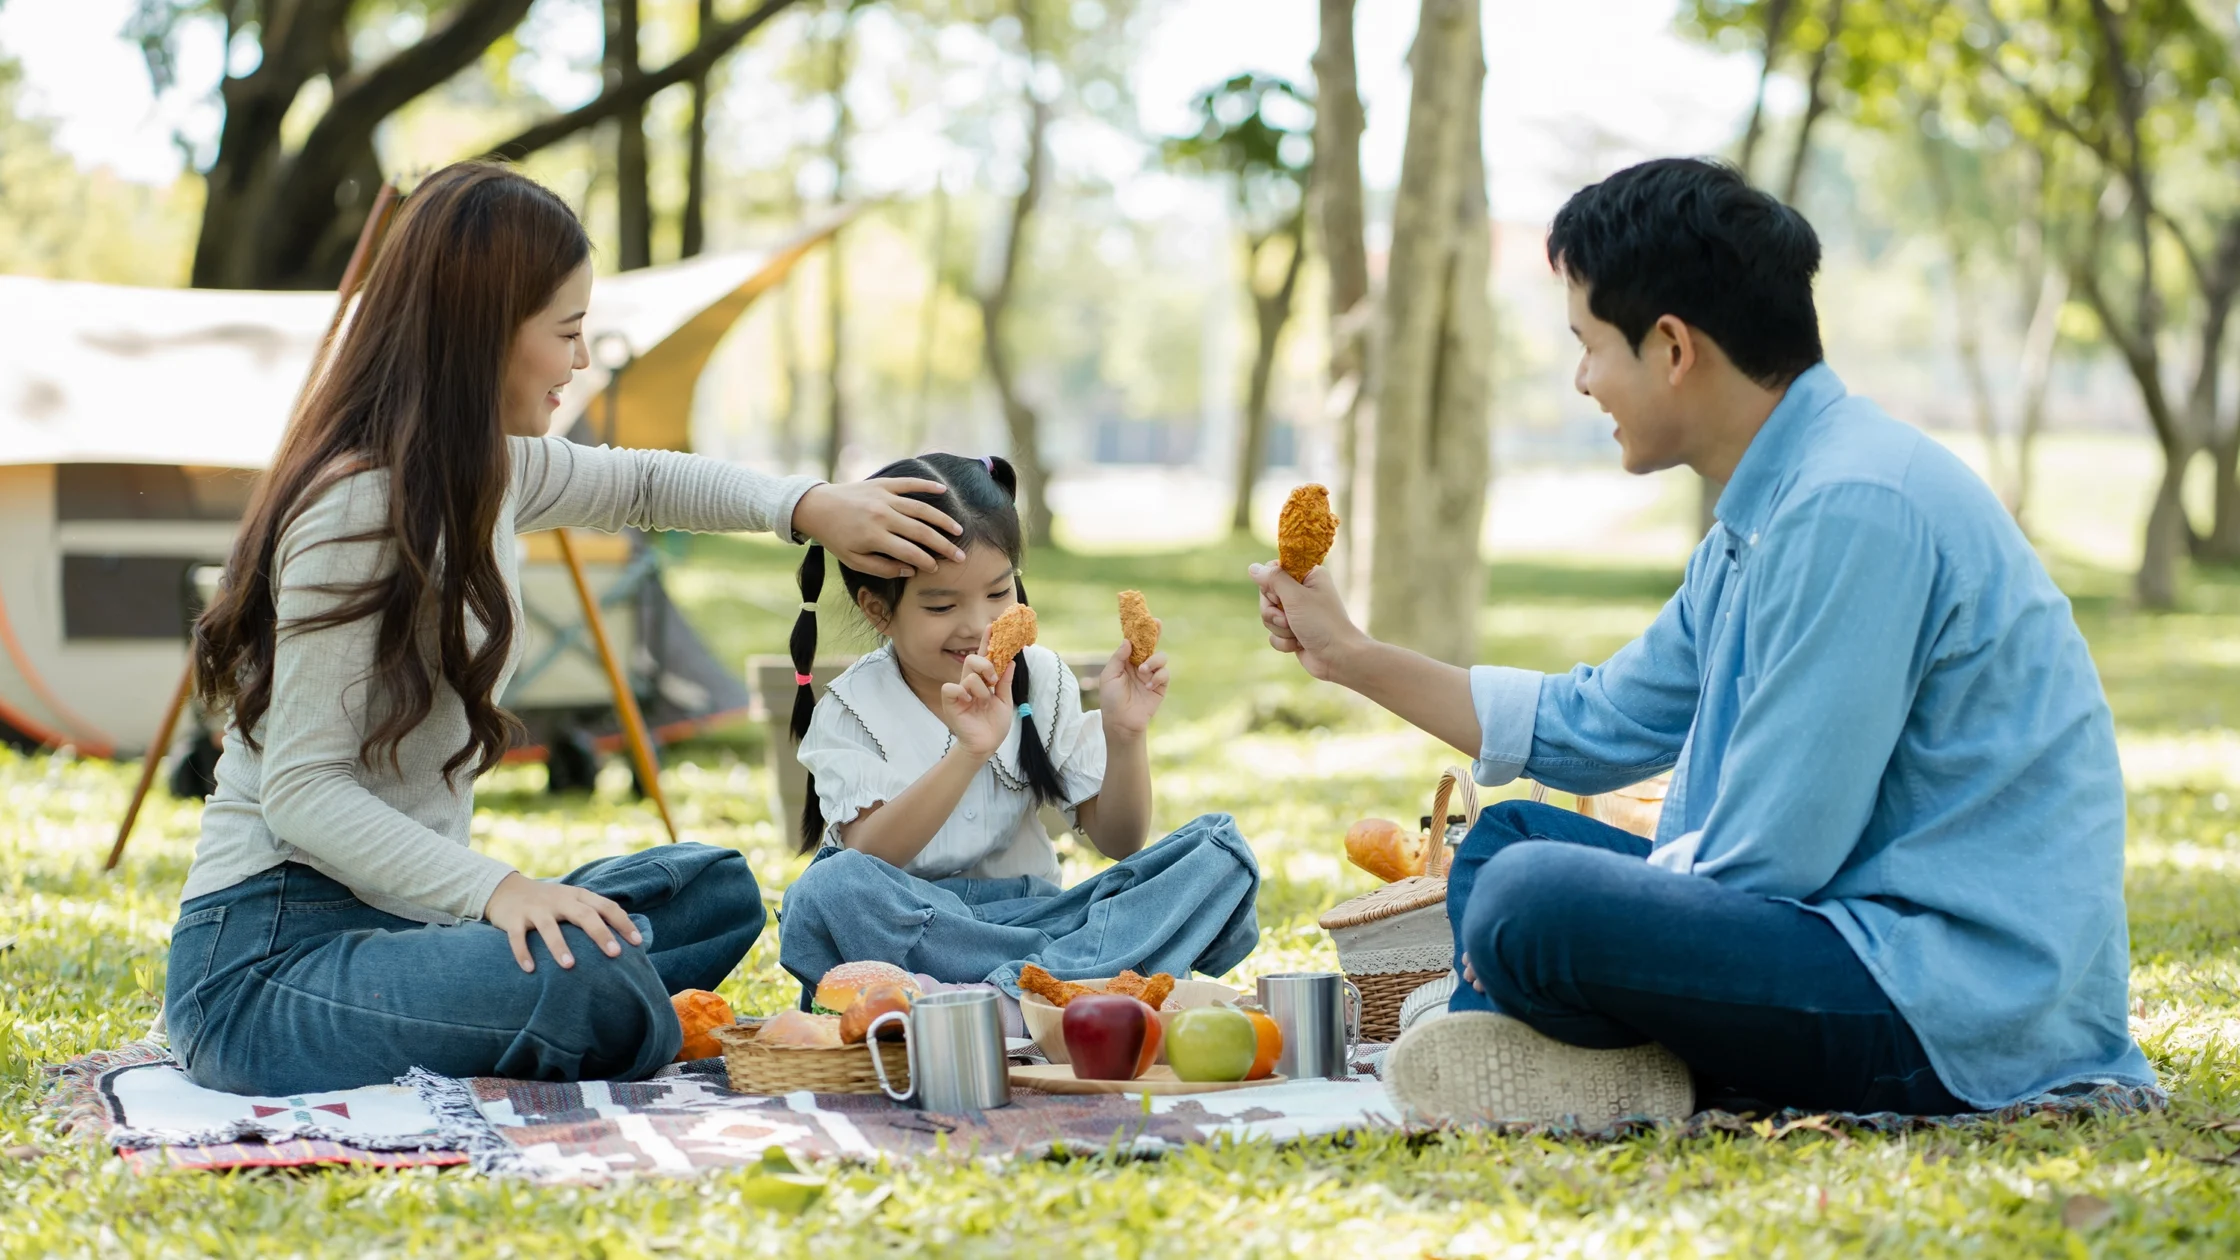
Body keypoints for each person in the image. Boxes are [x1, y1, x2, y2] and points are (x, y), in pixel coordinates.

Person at [1253, 157, 2155, 1125]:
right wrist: (1344, 653)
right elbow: (1591, 719)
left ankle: (1585, 1061)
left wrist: (1603, 908)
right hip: (1840, 934)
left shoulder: (1849, 510)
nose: (1581, 379)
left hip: (1942, 999)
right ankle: (1559, 1057)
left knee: (1529, 895)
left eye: (1588, 345)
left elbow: (1769, 858)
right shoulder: (1761, 516)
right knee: (1502, 843)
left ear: (1671, 348)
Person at [167, 161, 971, 1095]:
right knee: (586, 975)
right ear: (484, 336)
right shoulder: (358, 509)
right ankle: (584, 1002)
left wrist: (809, 505)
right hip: (267, 967)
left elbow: (642, 482)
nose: (581, 361)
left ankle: (556, 994)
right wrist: (500, 894)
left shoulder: (482, 471)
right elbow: (302, 791)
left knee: (712, 891)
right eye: (567, 333)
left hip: (410, 926)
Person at [775, 454, 1260, 1025]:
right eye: (940, 604)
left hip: (1041, 919)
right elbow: (870, 858)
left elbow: (1121, 841)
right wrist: (970, 751)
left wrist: (1124, 734)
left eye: (999, 593)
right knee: (829, 888)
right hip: (917, 932)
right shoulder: (853, 706)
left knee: (1218, 852)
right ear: (879, 610)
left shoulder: (1041, 676)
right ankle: (1058, 989)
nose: (978, 624)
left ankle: (1004, 997)